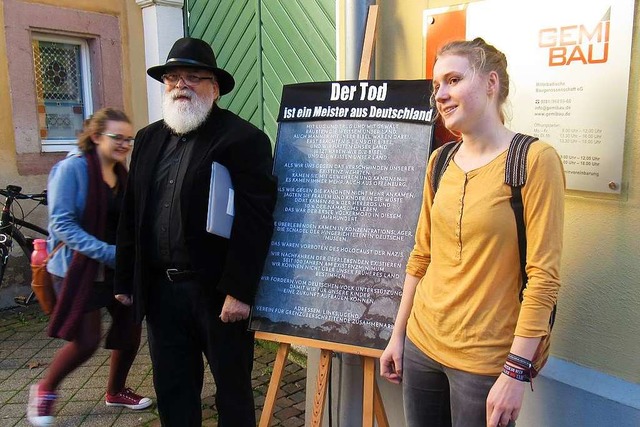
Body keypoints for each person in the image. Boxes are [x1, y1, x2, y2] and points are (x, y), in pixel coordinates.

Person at [380, 38, 565, 427]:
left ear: (490, 83)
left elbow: (543, 278)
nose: (441, 95)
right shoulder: (440, 161)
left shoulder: (534, 160)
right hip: (422, 345)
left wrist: (515, 370)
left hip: (485, 362)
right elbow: (422, 255)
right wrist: (398, 336)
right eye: (436, 86)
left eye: (452, 80)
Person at [114, 37, 277, 427]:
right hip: (161, 293)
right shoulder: (149, 138)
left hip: (217, 295)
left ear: (215, 87)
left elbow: (256, 221)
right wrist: (125, 277)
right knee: (173, 389)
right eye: (172, 77)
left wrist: (240, 291)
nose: (180, 85)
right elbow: (131, 211)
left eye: (193, 76)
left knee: (232, 391)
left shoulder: (243, 139)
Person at [27, 108, 152, 427]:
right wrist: (112, 254)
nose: (124, 144)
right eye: (117, 137)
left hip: (117, 267)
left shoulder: (120, 171)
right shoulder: (71, 169)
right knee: (85, 340)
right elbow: (63, 225)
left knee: (129, 330)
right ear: (96, 137)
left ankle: (116, 391)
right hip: (79, 269)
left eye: (129, 138)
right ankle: (44, 391)